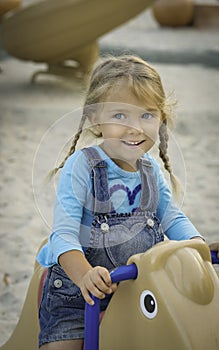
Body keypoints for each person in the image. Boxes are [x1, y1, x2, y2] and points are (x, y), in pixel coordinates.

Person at [37, 55, 219, 350]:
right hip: (79, 293)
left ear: (161, 117)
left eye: (147, 115)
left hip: (138, 286)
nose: (135, 128)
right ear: (96, 118)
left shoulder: (150, 170)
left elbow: (171, 217)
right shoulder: (82, 166)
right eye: (120, 116)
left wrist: (196, 246)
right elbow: (64, 234)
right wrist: (84, 276)